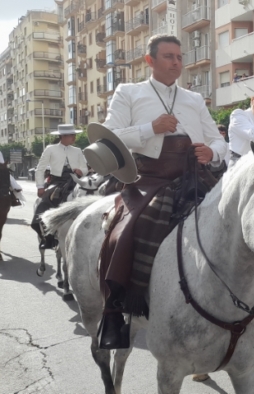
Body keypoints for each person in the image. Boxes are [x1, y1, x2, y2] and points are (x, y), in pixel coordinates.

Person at [96, 34, 227, 349]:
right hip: (149, 177)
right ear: (150, 60)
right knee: (125, 230)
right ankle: (114, 310)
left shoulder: (194, 99)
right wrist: (149, 129)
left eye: (180, 57)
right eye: (169, 56)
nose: (177, 62)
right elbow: (109, 137)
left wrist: (213, 153)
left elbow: (218, 139)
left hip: (195, 175)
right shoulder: (129, 92)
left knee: (236, 219)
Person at [31, 124, 88, 249]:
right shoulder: (50, 149)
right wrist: (40, 186)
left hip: (75, 179)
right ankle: (47, 235)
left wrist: (81, 171)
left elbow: (85, 167)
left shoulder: (77, 150)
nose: (74, 137)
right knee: (45, 201)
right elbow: (40, 169)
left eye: (74, 135)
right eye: (71, 135)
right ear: (63, 136)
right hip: (57, 180)